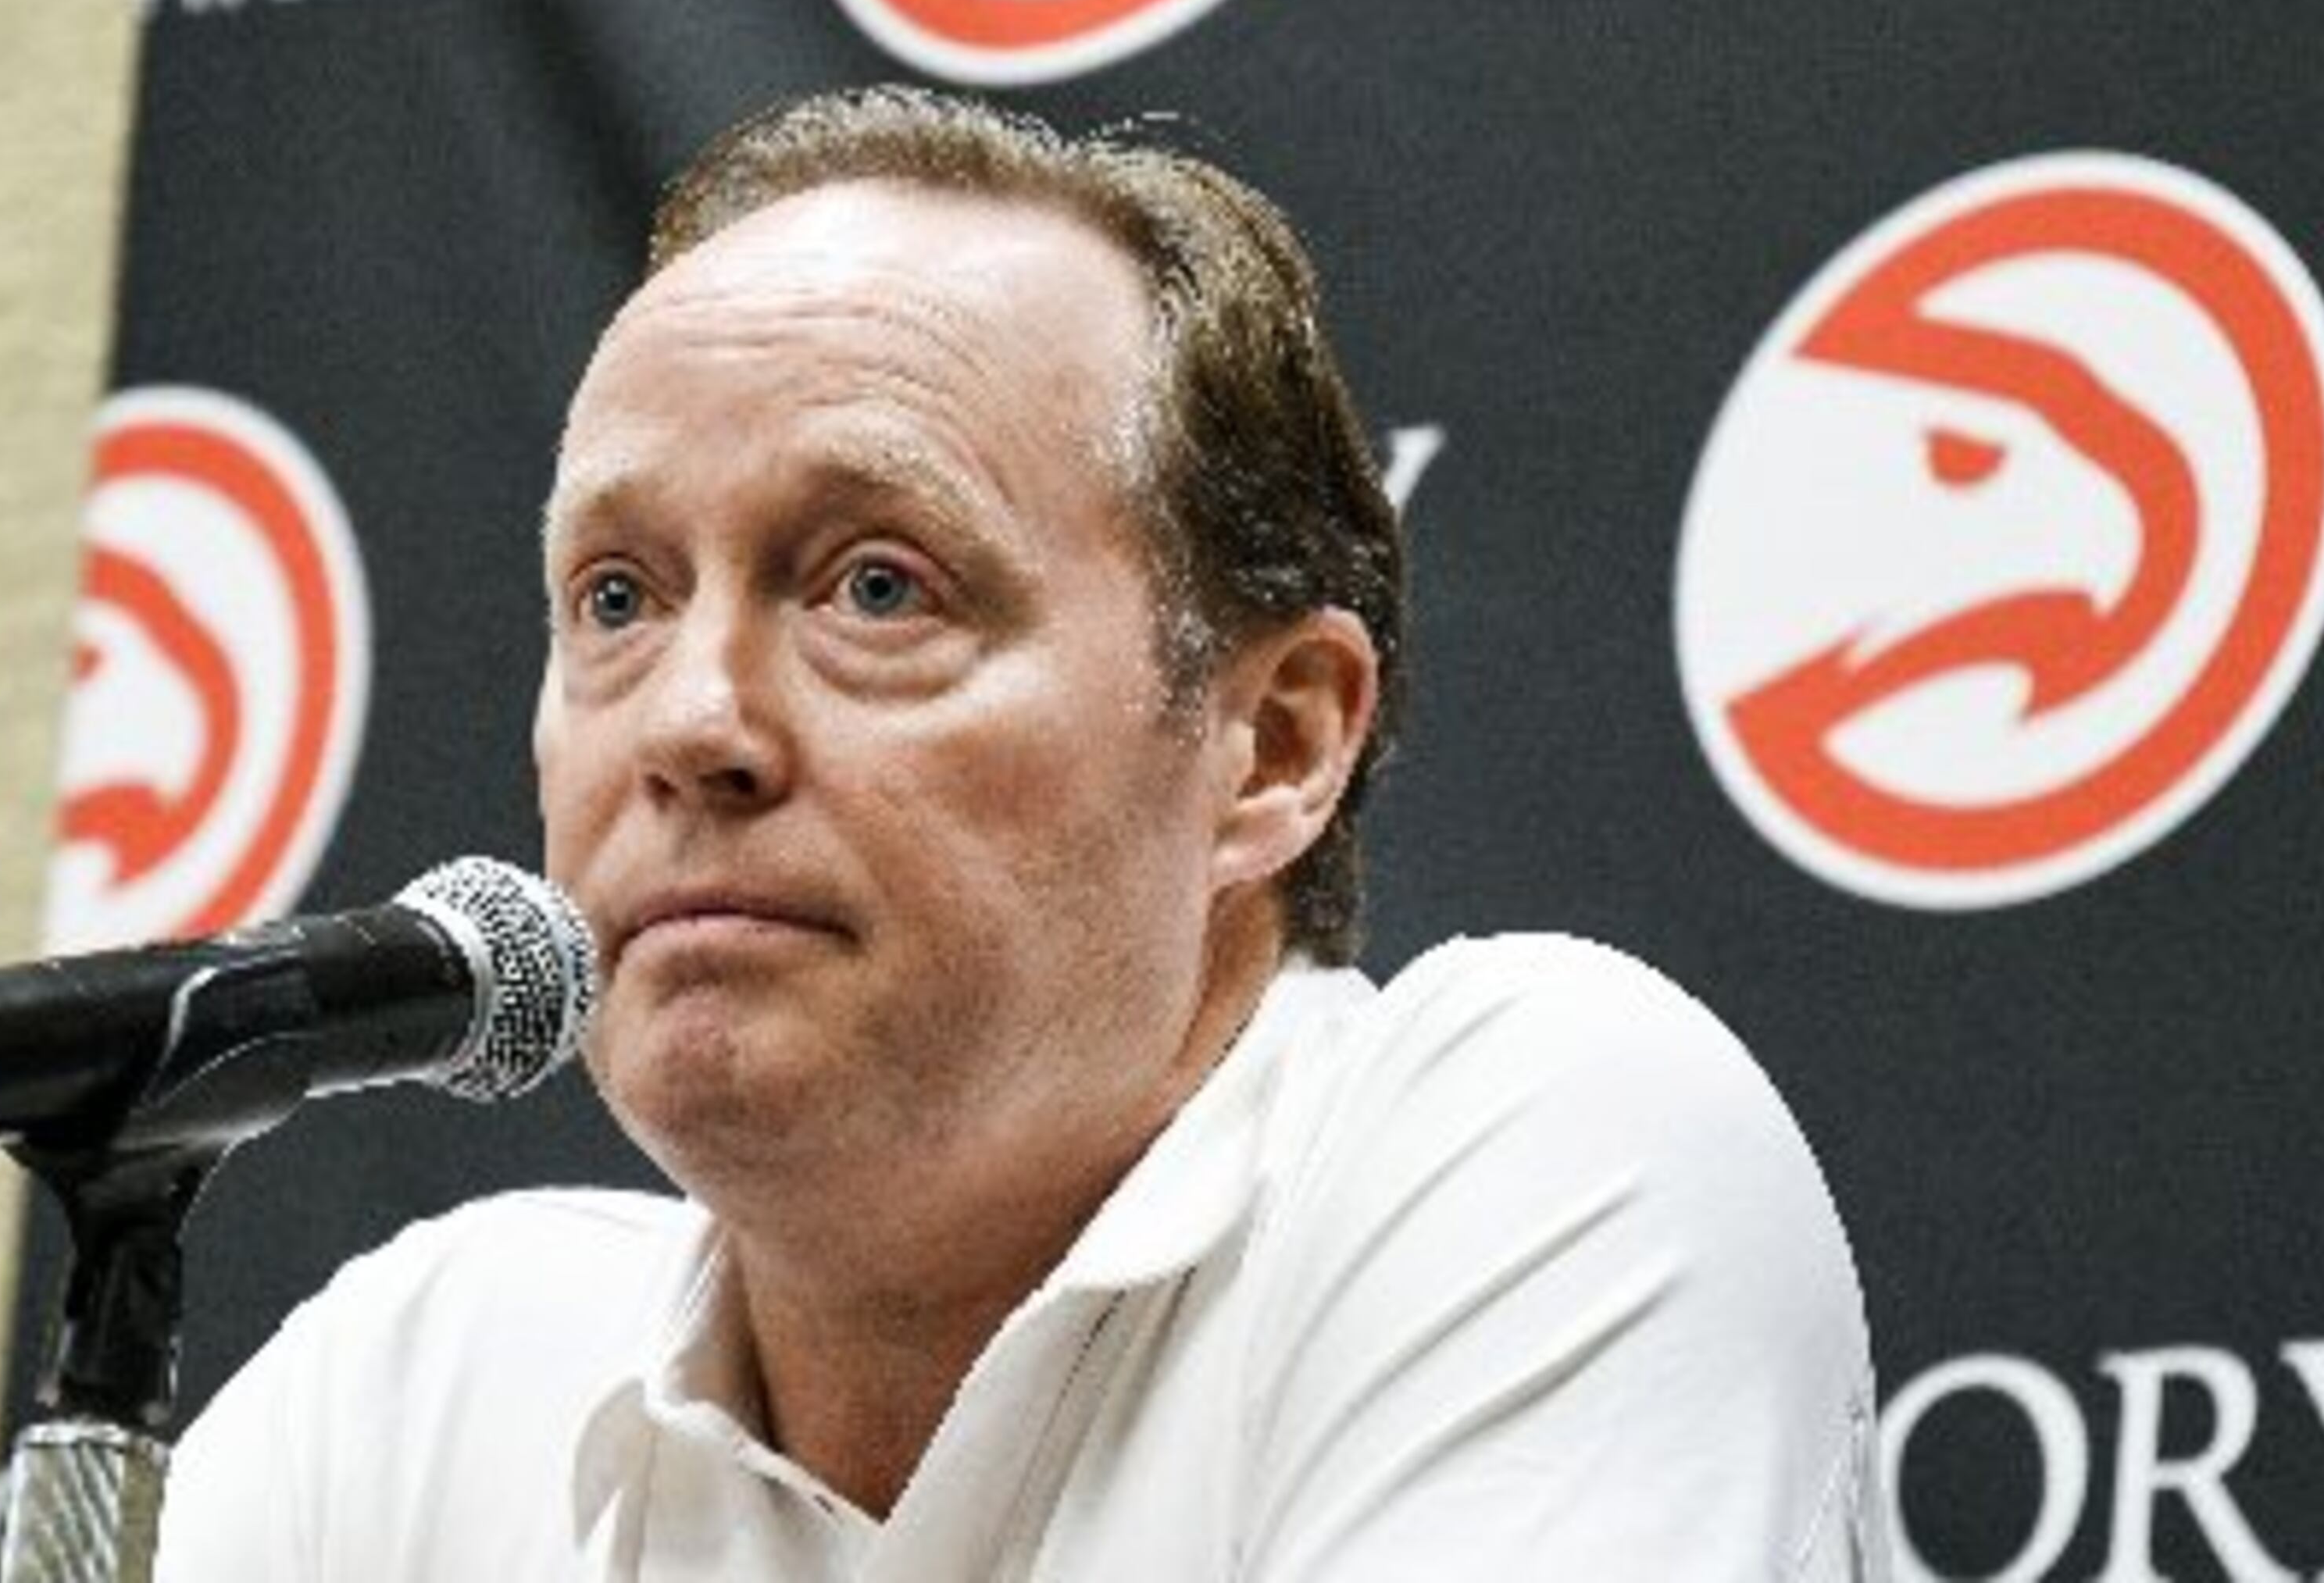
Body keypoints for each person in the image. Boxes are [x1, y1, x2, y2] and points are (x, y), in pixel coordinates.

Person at [157, 85, 1880, 1579]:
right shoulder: (410, 1398)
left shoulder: (1537, 1147)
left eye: (877, 587)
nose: (690, 724)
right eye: (618, 595)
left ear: (1269, 743)